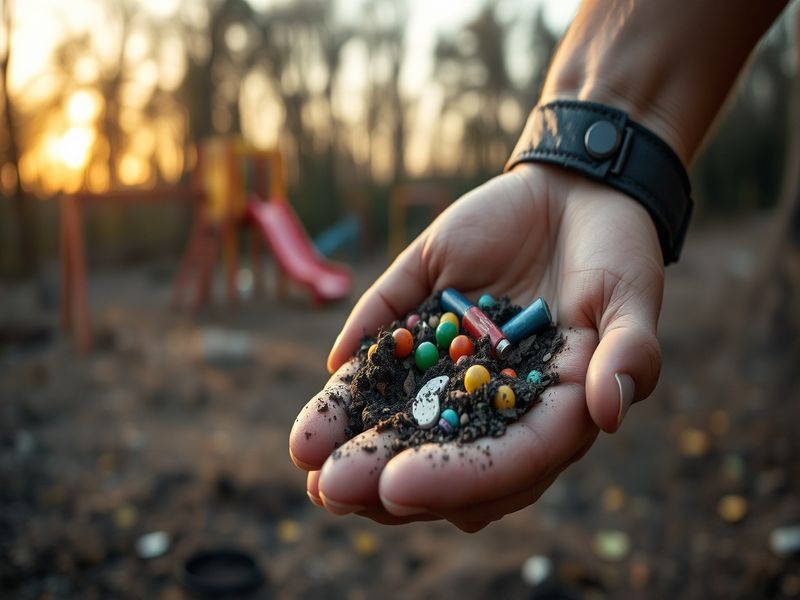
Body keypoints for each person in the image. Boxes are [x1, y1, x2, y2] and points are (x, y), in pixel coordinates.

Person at [289, 0, 791, 531]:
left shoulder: (489, 343)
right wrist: (589, 139)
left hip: (494, 348)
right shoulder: (464, 340)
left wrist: (598, 145)